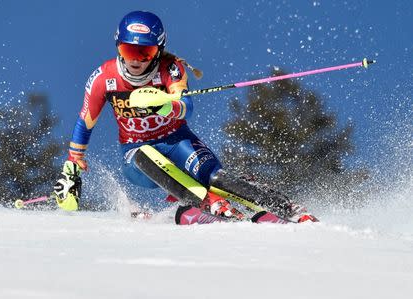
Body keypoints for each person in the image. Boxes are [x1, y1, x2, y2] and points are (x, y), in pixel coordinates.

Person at [53, 11, 317, 224]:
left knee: (213, 177)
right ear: (117, 48)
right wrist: (73, 161)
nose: (136, 61)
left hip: (177, 140)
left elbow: (186, 106)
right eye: (128, 51)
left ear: (158, 50)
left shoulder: (171, 69)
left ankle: (284, 207)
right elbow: (86, 120)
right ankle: (205, 203)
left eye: (144, 53)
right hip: (136, 155)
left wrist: (168, 107)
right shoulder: (104, 78)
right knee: (144, 153)